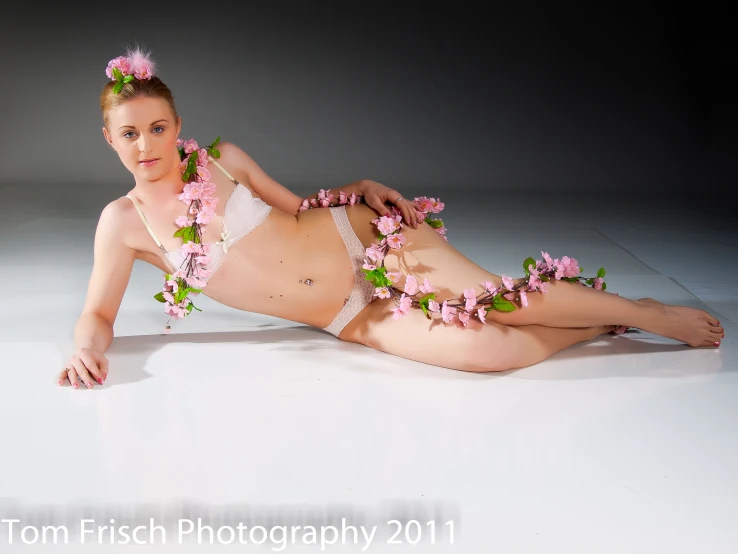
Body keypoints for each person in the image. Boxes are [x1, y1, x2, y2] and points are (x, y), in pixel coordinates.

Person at [57, 48, 725, 389]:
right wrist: (87, 349)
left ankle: (647, 314)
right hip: (345, 314)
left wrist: (357, 189)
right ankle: (600, 323)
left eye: (157, 127)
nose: (145, 145)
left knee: (497, 303)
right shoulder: (124, 225)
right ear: (109, 140)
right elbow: (100, 314)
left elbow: (297, 209)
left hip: (360, 244)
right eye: (129, 133)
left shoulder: (223, 160)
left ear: (178, 128)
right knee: (484, 352)